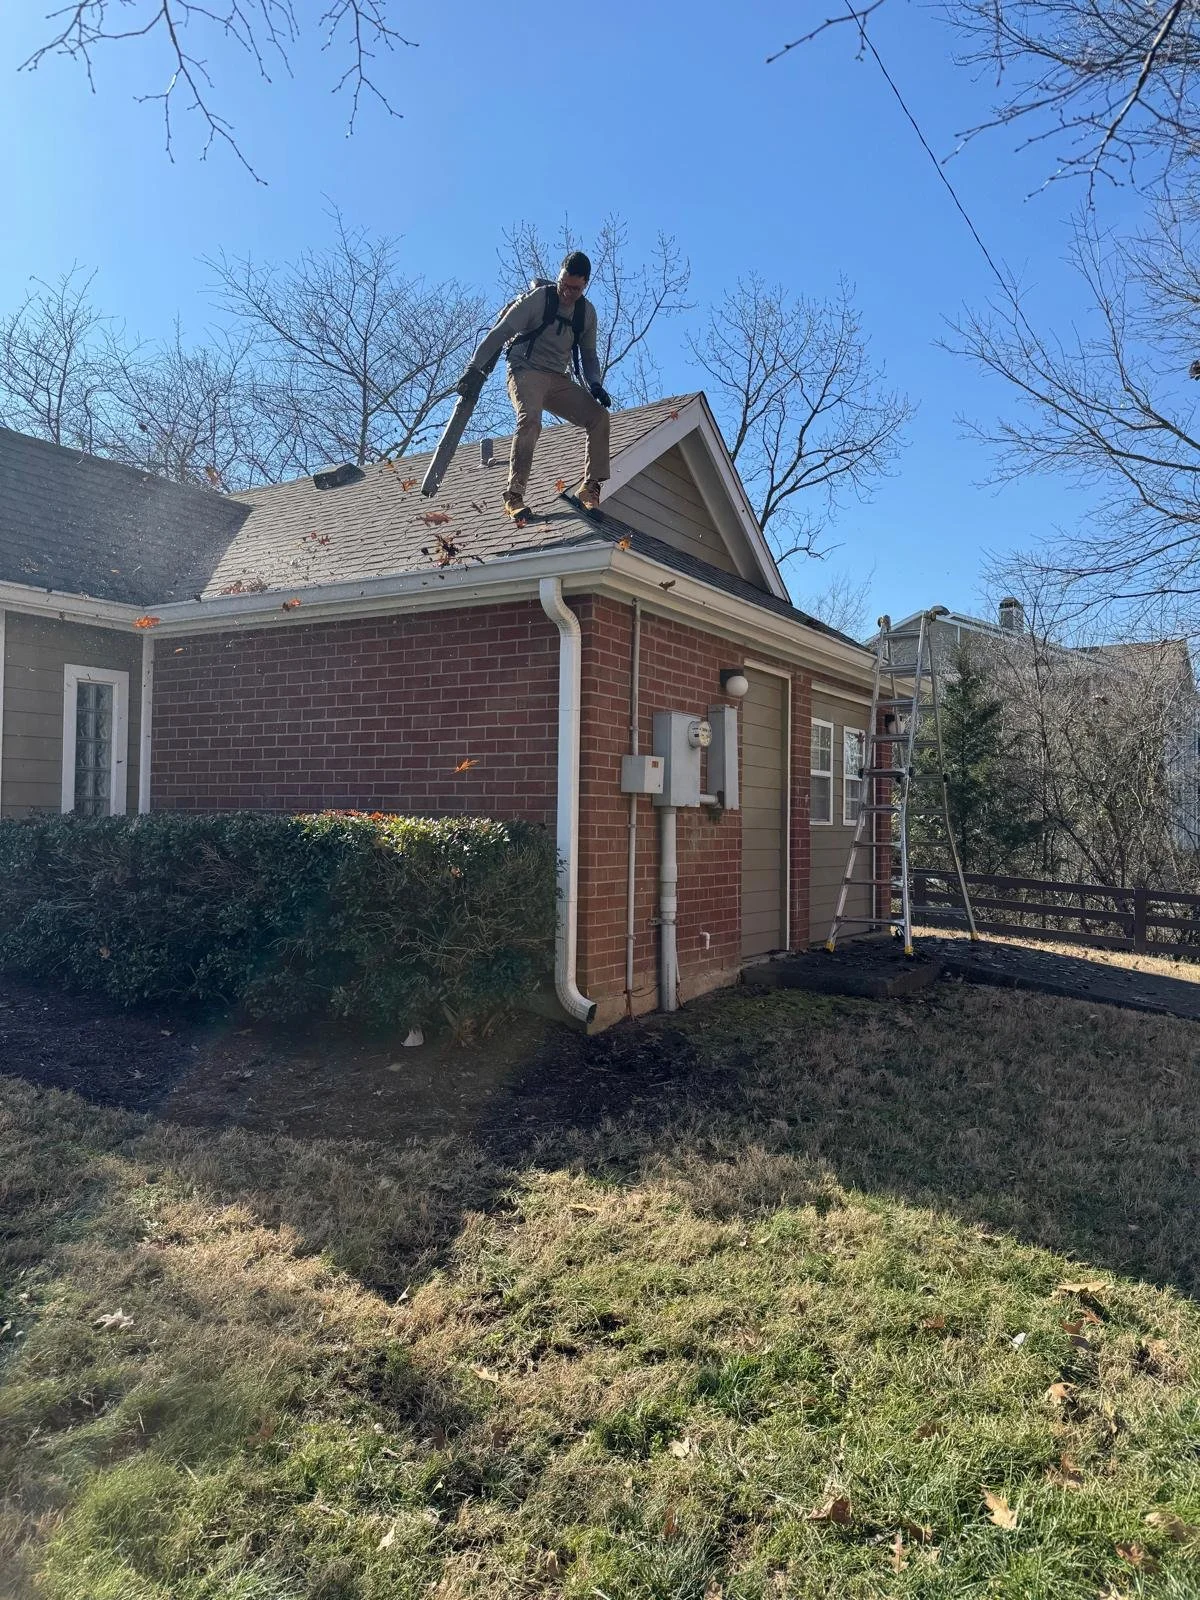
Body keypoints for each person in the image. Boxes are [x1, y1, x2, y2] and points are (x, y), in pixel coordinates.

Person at [457, 250, 612, 519]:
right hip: (525, 371)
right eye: (564, 283)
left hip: (557, 379)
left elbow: (589, 354)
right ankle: (514, 495)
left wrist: (595, 384)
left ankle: (590, 488)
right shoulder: (540, 299)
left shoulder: (586, 313)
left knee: (599, 417)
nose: (567, 292)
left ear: (585, 284)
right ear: (559, 276)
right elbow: (502, 331)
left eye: (575, 288)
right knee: (531, 420)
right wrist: (474, 368)